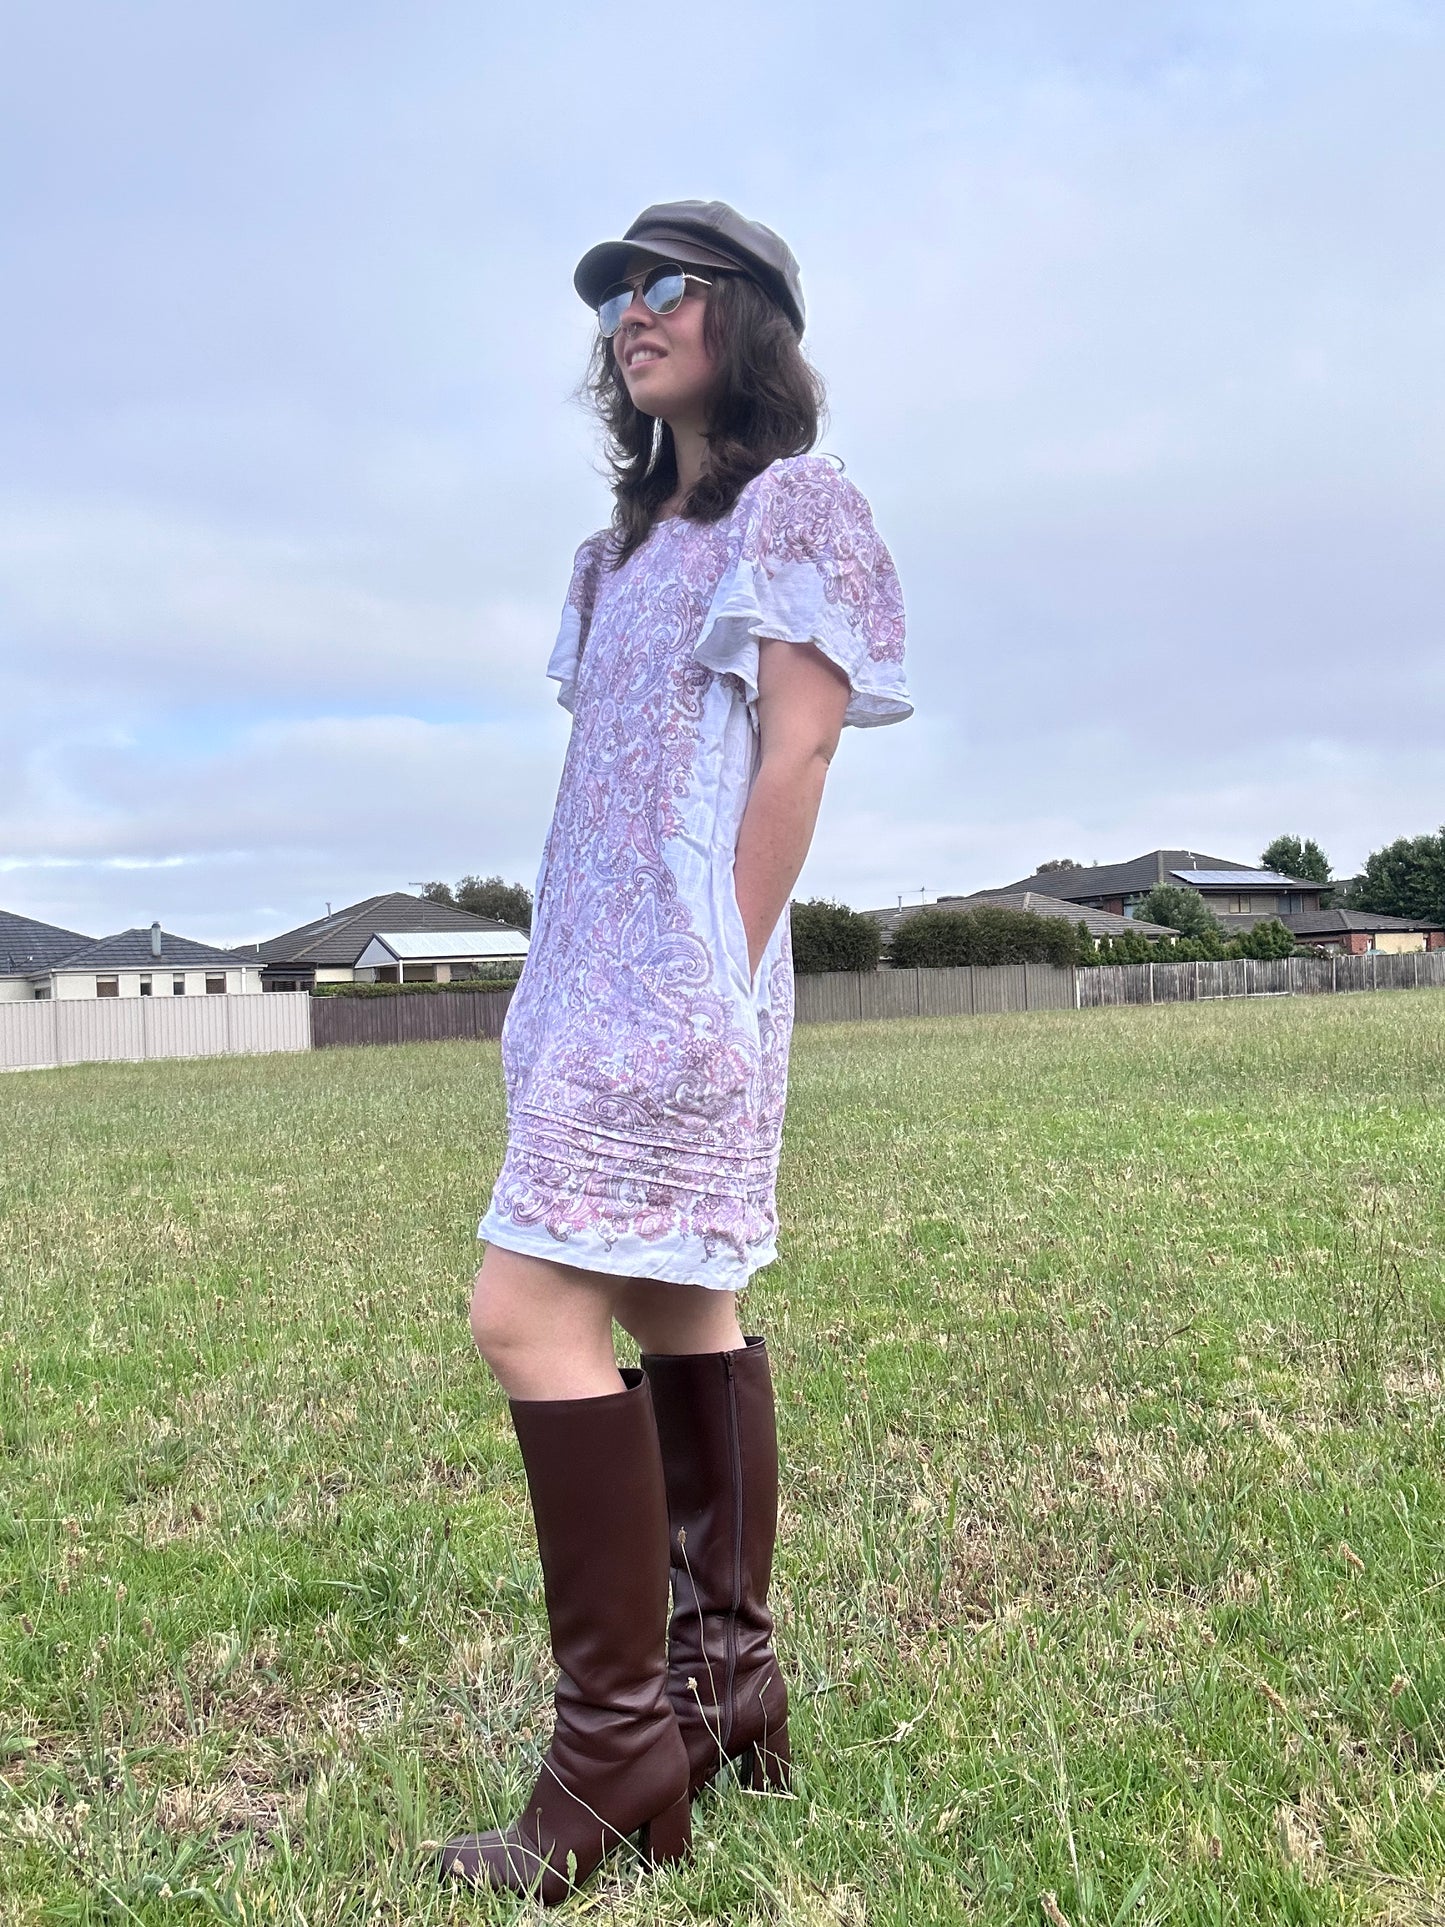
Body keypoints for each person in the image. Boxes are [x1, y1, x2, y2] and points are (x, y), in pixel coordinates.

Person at [439, 199, 912, 1901]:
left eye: (664, 289)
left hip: (680, 978)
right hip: (584, 970)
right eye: (613, 299)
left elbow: (794, 756)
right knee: (674, 1300)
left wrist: (716, 963)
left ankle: (615, 1748)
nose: (629, 318)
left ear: (750, 319)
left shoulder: (797, 508)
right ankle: (726, 1686)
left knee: (523, 1310)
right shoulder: (619, 552)